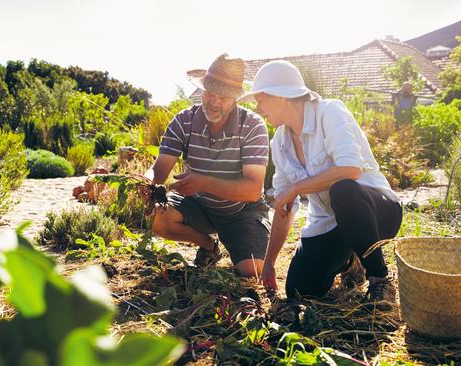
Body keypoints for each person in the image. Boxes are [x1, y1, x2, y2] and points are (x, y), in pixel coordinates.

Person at [238, 60, 402, 309]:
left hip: (377, 212)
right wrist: (270, 261)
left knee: (343, 189)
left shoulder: (329, 112)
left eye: (261, 100)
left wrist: (296, 188)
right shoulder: (280, 144)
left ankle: (380, 279)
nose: (258, 109)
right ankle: (350, 260)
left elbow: (351, 169)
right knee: (299, 289)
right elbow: (285, 207)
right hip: (331, 222)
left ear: (281, 97)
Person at [144, 54, 271, 277]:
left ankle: (237, 243)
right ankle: (208, 246)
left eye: (222, 97)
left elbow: (252, 190)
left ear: (235, 99)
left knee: (251, 272)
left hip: (241, 211)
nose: (214, 102)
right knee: (153, 215)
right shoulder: (184, 120)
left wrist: (204, 182)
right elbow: (159, 169)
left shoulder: (252, 126)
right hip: (198, 206)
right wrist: (143, 182)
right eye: (210, 93)